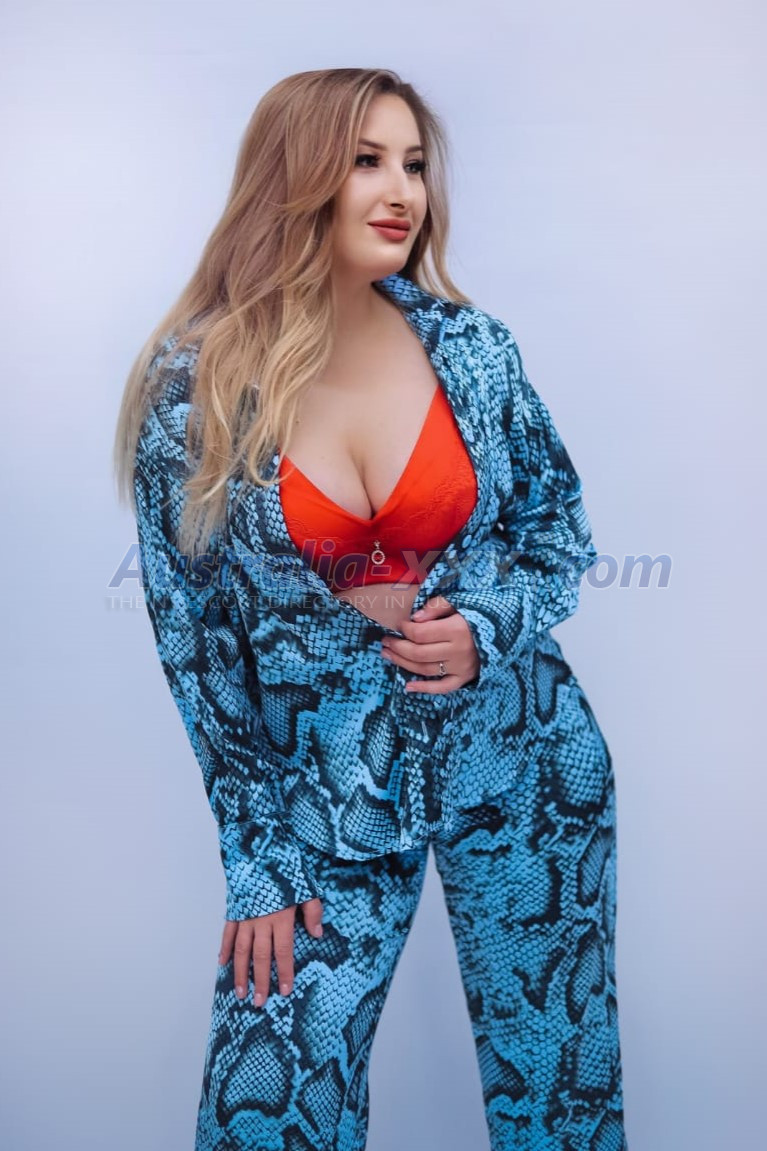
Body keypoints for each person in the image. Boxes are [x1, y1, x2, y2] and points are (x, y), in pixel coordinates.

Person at [113, 67, 627, 1151]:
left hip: (525, 761)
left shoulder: (473, 350)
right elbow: (195, 647)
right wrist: (257, 856)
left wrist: (485, 626)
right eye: (365, 161)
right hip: (323, 803)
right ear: (294, 177)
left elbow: (557, 532)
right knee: (264, 1113)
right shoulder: (193, 388)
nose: (401, 191)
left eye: (413, 164)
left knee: (560, 1105)